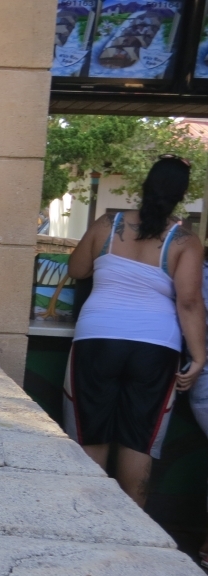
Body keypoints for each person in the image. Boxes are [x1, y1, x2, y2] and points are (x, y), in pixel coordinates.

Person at [64, 155, 205, 508]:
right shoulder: (185, 241)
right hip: (155, 349)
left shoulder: (107, 224)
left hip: (97, 340)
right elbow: (189, 302)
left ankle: (87, 519)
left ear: (144, 185)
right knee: (138, 441)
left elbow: (77, 269)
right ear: (182, 195)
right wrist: (200, 356)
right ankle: (134, 530)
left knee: (90, 434)